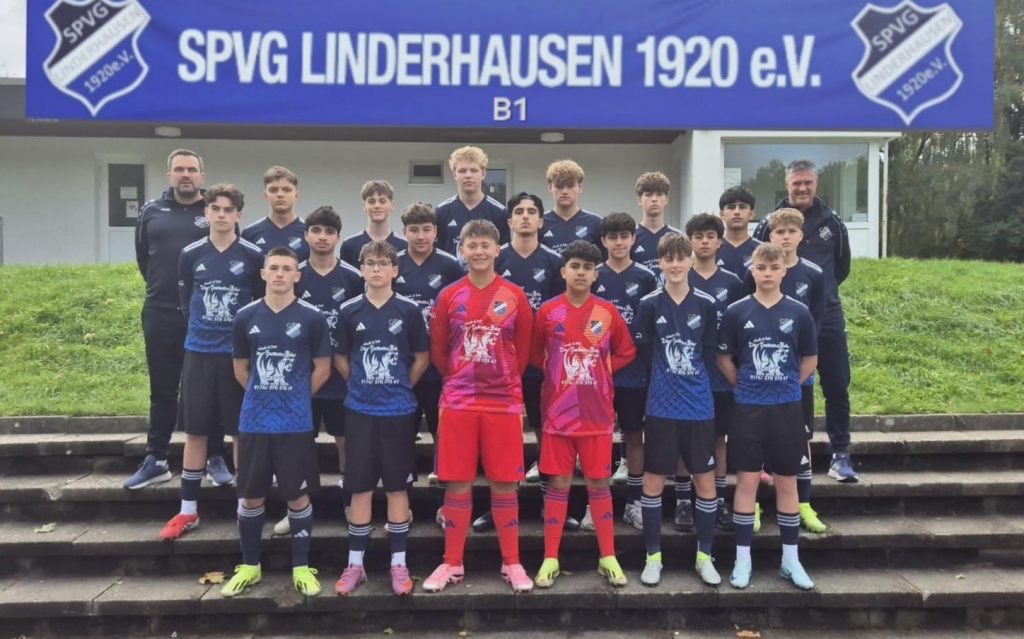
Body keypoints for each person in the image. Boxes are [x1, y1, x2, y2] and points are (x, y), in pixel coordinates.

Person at [423, 220, 534, 594]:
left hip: (503, 402)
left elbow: (523, 350)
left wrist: (503, 380)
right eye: (472, 245)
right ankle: (452, 563)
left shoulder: (515, 296)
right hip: (459, 401)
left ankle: (512, 562)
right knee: (457, 483)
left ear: (497, 250)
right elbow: (440, 352)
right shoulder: (449, 295)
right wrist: (461, 377)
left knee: (505, 484)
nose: (479, 251)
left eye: (486, 245)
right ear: (462, 250)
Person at [221, 246, 331, 598]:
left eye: (287, 268)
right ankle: (250, 566)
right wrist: (265, 394)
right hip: (255, 420)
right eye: (274, 268)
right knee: (251, 495)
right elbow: (241, 369)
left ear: (297, 275)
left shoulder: (312, 317)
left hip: (295, 423)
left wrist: (294, 396)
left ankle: (301, 566)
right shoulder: (245, 316)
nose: (280, 274)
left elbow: (323, 369)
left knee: (297, 496)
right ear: (263, 273)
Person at [159, 184, 264, 541]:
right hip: (199, 353)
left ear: (239, 215)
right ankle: (188, 510)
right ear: (206, 213)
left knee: (241, 432)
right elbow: (186, 299)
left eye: (228, 209)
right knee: (196, 431)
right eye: (215, 209)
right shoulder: (191, 254)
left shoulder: (252, 255)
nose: (221, 215)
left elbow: (259, 305)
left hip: (237, 357)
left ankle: (245, 507)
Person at [128, 148, 234, 489]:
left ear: (202, 175)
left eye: (191, 169)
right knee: (162, 387)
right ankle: (156, 458)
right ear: (169, 175)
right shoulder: (151, 211)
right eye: (179, 169)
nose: (185, 174)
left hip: (206, 318)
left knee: (210, 389)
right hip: (160, 311)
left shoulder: (215, 211)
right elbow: (144, 259)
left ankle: (215, 456)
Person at [532, 240, 635, 589]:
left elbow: (626, 351)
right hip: (558, 415)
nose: (580, 272)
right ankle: (550, 557)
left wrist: (602, 368)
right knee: (558, 483)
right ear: (563, 271)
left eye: (587, 267)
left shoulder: (607, 312)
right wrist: (559, 374)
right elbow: (534, 354)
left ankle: (608, 556)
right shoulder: (548, 311)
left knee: (599, 483)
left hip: (597, 414)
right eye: (574, 266)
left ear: (595, 274)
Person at [718, 242, 818, 591]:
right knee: (747, 480)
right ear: (752, 270)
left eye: (774, 268)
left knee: (787, 481)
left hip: (787, 408)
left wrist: (788, 385)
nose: (767, 274)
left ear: (784, 271)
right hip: (748, 408)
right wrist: (744, 386)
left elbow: (809, 358)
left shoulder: (799, 312)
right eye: (761, 268)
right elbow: (724, 358)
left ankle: (790, 560)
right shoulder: (736, 312)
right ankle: (742, 559)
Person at [332, 240, 430, 597]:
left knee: (397, 487)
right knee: (359, 486)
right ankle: (355, 564)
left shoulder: (408, 310)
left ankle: (399, 564)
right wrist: (361, 384)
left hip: (398, 411)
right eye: (370, 263)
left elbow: (421, 357)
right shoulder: (349, 310)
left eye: (383, 263)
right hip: (360, 410)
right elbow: (341, 359)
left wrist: (401, 386)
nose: (376, 269)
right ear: (361, 270)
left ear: (394, 270)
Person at [753, 160, 857, 482]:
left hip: (826, 315)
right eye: (796, 183)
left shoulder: (832, 221)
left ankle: (841, 454)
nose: (802, 188)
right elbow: (757, 262)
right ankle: (772, 458)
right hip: (779, 320)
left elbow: (841, 267)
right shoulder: (770, 222)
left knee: (837, 382)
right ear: (787, 185)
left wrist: (819, 295)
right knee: (778, 381)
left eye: (807, 182)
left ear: (816, 184)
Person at [471, 192, 567, 533]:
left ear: (541, 220)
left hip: (542, 363)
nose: (525, 216)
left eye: (532, 211)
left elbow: (562, 311)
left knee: (547, 433)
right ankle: (493, 506)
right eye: (519, 212)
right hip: (497, 364)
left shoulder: (555, 261)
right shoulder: (496, 257)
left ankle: (548, 504)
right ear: (509, 221)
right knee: (497, 436)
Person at [633, 234, 721, 587]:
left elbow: (711, 355)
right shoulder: (649, 304)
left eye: (680, 258)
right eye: (667, 259)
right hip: (661, 406)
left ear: (690, 261)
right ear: (660, 263)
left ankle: (705, 556)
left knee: (705, 482)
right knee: (654, 481)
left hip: (699, 407)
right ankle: (653, 557)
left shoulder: (707, 304)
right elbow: (644, 355)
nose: (674, 264)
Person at [273, 206, 364, 538]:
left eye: (329, 232)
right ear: (306, 235)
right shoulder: (293, 274)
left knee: (347, 444)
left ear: (338, 237)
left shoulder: (352, 277)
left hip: (341, 379)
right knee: (297, 444)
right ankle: (296, 509)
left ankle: (350, 502)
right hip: (301, 377)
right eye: (316, 231)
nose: (322, 237)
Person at [749, 208, 827, 533]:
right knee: (755, 440)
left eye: (791, 231)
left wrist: (802, 369)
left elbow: (817, 322)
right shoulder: (754, 271)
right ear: (770, 235)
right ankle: (752, 503)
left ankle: (804, 503)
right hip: (762, 375)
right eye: (779, 231)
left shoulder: (814, 274)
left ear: (801, 236)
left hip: (797, 374)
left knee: (801, 437)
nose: (785, 237)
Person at [591, 213, 657, 530]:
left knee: (633, 434)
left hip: (635, 371)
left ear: (633, 239)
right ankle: (594, 505)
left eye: (624, 236)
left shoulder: (646, 277)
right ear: (603, 241)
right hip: (597, 371)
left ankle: (634, 502)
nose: (619, 242)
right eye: (612, 237)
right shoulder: (594, 274)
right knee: (597, 438)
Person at [392, 203, 463, 471]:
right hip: (403, 360)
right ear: (404, 232)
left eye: (426, 229)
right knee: (403, 426)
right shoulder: (394, 264)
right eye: (414, 230)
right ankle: (404, 476)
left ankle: (443, 473)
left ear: (436, 231)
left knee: (440, 424)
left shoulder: (450, 265)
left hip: (438, 361)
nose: (420, 236)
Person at [685, 213, 744, 531]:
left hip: (721, 374)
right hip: (687, 373)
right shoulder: (681, 276)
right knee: (685, 436)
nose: (704, 241)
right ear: (690, 241)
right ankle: (684, 500)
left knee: (719, 437)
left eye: (710, 236)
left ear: (720, 242)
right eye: (698, 236)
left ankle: (718, 500)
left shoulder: (732, 282)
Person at [435, 146, 509, 263]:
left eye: (474, 170)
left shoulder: (499, 212)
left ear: (483, 174)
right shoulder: (441, 211)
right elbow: (437, 253)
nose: (468, 175)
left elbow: (504, 254)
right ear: (454, 175)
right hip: (451, 275)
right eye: (462, 171)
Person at [242, 166, 309, 262]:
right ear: (265, 195)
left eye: (286, 190)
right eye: (273, 190)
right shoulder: (250, 233)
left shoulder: (309, 232)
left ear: (296, 195)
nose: (280, 194)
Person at [340, 180, 408, 267]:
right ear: (364, 206)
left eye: (382, 201)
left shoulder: (405, 245)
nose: (377, 205)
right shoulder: (349, 245)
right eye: (371, 201)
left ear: (392, 205)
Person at [541, 160, 603, 254]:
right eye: (559, 186)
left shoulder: (595, 223)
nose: (565, 191)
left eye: (570, 186)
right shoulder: (540, 223)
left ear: (580, 188)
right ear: (550, 188)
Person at [631, 171, 681, 279]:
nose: (654, 199)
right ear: (639, 200)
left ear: (666, 199)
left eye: (659, 194)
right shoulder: (630, 237)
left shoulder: (678, 237)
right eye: (648, 195)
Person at [717, 186, 761, 277]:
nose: (737, 212)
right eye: (731, 207)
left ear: (752, 214)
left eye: (742, 207)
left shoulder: (762, 250)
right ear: (722, 215)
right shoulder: (711, 249)